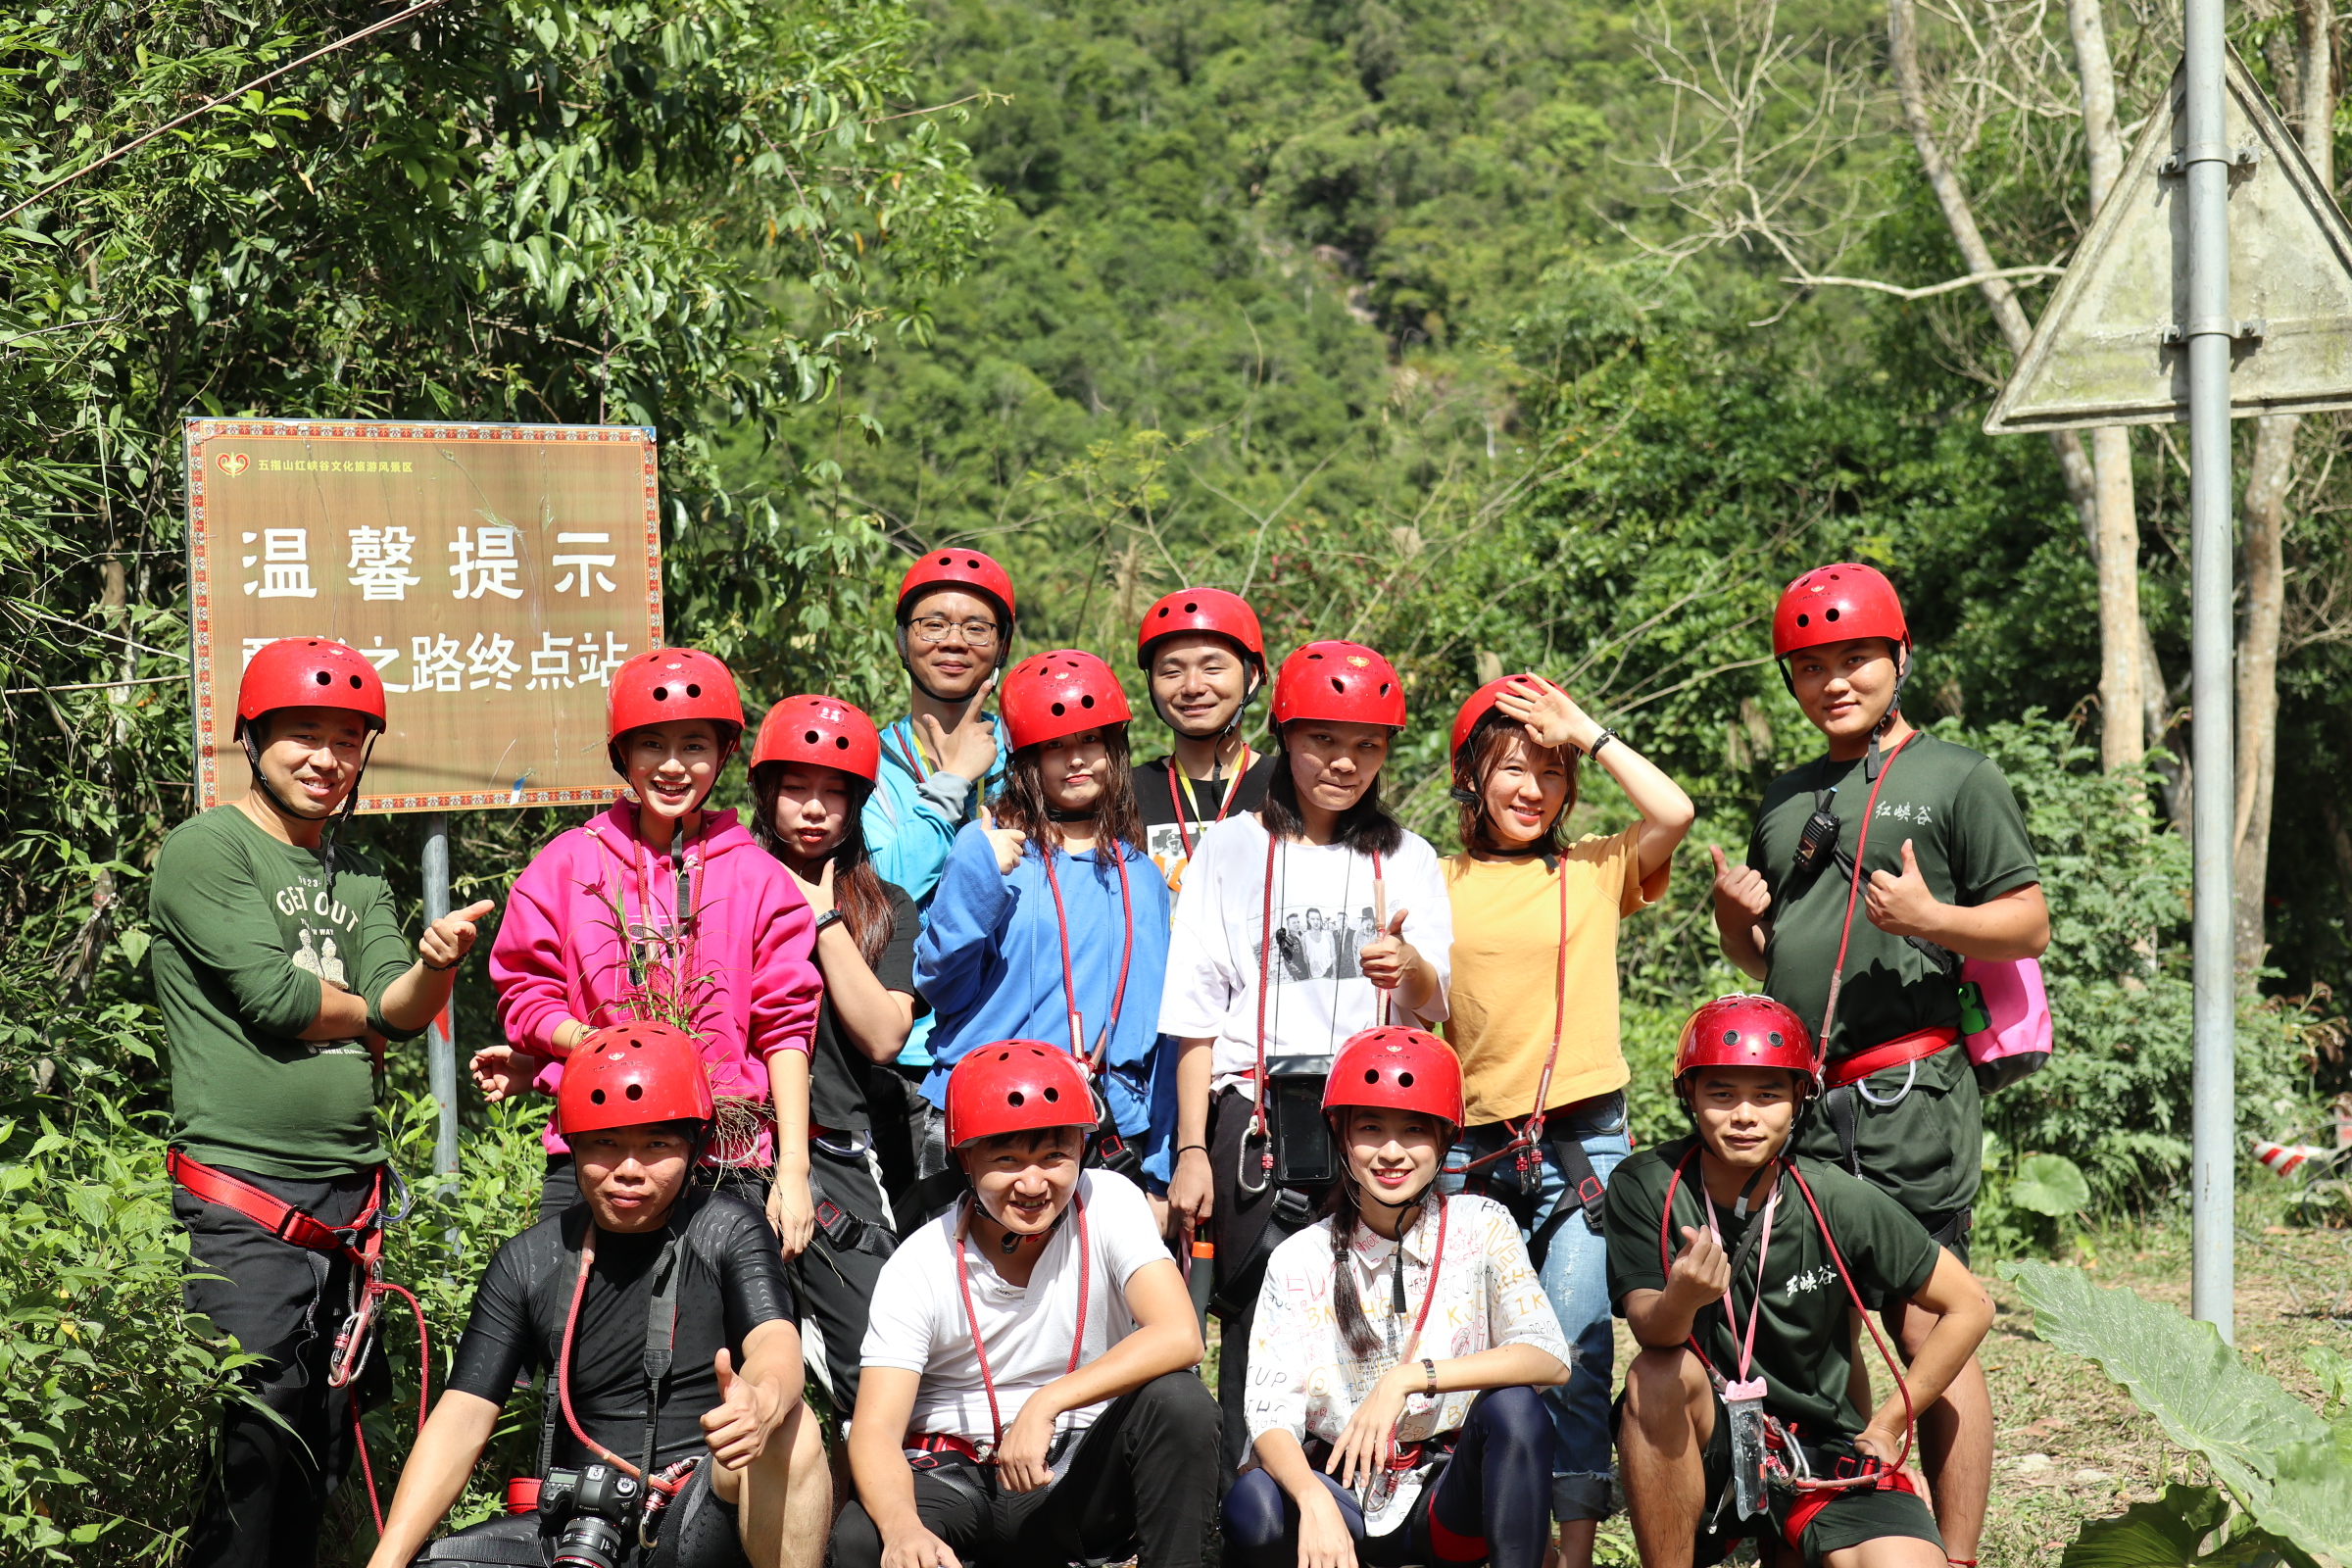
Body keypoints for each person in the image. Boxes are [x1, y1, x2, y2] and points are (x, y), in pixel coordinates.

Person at [1708, 564, 2047, 1567]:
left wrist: (1936, 918)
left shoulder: (1956, 777)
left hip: (1910, 1095)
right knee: (1822, 1318)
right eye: (1810, 667)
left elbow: (2026, 920)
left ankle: (1959, 1554)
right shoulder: (1787, 797)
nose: (1834, 681)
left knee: (1926, 1317)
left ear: (1899, 658)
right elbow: (1778, 960)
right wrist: (1738, 924)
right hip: (1803, 1103)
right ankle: (1864, 1528)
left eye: (1855, 657)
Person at [155, 637, 494, 1568]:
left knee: (327, 1451)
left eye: (348, 740)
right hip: (246, 1202)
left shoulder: (357, 879)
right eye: (304, 735)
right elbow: (279, 998)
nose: (327, 760)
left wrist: (432, 969)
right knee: (253, 1449)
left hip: (349, 1208)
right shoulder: (206, 849)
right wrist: (374, 1015)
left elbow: (399, 1005)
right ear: (253, 739)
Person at [366, 1023, 832, 1568]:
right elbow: (462, 1416)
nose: (628, 1171)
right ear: (574, 1145)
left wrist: (764, 1400)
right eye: (605, 1145)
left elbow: (776, 1343)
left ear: (694, 1146)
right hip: (580, 1531)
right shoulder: (529, 1261)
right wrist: (388, 1559)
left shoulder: (729, 1230)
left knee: (792, 1432)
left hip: (698, 1513)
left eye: (657, 1145)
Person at [1160, 639, 1455, 1473]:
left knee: (1369, 1307)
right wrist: (1190, 1151)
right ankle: (1250, 1505)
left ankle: (1366, 1492)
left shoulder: (1407, 858)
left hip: (1374, 1111)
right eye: (1325, 741)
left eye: (1368, 746)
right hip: (1252, 1113)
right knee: (1255, 1312)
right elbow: (1195, 1013)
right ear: (1285, 736)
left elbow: (1438, 1003)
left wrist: (1413, 969)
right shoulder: (1227, 851)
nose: (1345, 764)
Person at [1436, 672, 1691, 1564]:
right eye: (1511, 768)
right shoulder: (1438, 880)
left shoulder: (1593, 869)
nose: (1532, 789)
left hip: (1583, 1147)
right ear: (1470, 778)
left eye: (1551, 772)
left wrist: (1586, 730)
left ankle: (1571, 1552)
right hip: (1467, 1150)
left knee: (1578, 1355)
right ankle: (1508, 1540)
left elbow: (1676, 811)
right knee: (1485, 1360)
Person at [1607, 996, 1994, 1568]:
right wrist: (1682, 1298)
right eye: (1721, 1093)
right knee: (1656, 1374)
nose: (1744, 1115)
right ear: (1688, 1096)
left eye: (1768, 1095)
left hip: (1820, 1447)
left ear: (1799, 1101)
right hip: (1707, 1442)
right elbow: (1651, 1331)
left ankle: (1795, 1537)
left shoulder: (1837, 1197)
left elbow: (1971, 1306)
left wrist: (1887, 1424)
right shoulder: (1647, 1183)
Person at [476, 647, 822, 1235]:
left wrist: (793, 1167)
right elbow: (527, 994)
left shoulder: (760, 877)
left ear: (723, 753)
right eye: (652, 744)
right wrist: (595, 1045)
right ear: (623, 755)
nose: (672, 766)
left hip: (727, 1154)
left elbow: (785, 1028)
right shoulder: (567, 864)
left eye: (694, 745)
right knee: (580, 1320)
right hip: (595, 1147)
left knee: (725, 1325)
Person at [834, 1043, 1222, 1568]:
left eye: (1054, 1157)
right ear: (966, 1161)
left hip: (1075, 1472)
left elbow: (1179, 1333)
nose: (1034, 1184)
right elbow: (876, 1430)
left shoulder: (1109, 1201)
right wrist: (903, 1530)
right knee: (862, 1537)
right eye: (1007, 1160)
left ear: (1081, 1151)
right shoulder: (919, 1262)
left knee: (1182, 1401)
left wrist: (1047, 1403)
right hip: (956, 1475)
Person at [1224, 1026, 1571, 1568]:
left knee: (1517, 1408)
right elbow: (1270, 1415)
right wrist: (1313, 1500)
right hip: (1342, 1501)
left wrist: (1408, 1378)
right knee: (1255, 1507)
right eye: (1370, 1128)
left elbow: (1548, 1356)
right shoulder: (1298, 1257)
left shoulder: (1484, 1224)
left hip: (1446, 1498)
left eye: (1413, 1130)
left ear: (1444, 1140)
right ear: (1339, 1135)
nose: (1391, 1152)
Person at [913, 650, 1174, 1200]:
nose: (1075, 761)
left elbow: (1158, 1036)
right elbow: (939, 982)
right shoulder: (994, 850)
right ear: (1027, 758)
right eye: (1054, 746)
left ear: (1114, 750)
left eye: (1089, 742)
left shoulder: (1141, 876)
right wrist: (974, 871)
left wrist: (1160, 1169)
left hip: (1103, 1131)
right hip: (987, 1122)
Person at [746, 694, 927, 1411]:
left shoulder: (888, 906)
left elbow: (884, 1035)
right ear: (765, 794)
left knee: (872, 1369)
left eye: (834, 793)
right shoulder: (722, 888)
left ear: (858, 807)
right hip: (732, 1146)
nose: (814, 809)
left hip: (840, 1159)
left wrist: (818, 917)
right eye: (796, 790)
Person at [863, 550, 1017, 1214]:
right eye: (932, 623)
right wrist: (951, 785)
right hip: (897, 1048)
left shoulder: (1033, 760)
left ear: (1002, 646)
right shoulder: (861, 760)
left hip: (1007, 1044)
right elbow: (882, 890)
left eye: (976, 627)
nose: (953, 640)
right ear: (902, 639)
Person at [1131, 588, 1278, 892]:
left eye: (1212, 668)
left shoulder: (1290, 787)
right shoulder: (1125, 793)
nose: (1193, 687)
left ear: (1251, 676)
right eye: (1171, 671)